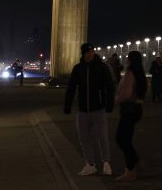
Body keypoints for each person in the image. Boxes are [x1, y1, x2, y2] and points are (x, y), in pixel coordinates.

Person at [63, 43, 116, 176]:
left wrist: (110, 104)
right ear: (83, 53)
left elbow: (110, 87)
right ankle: (90, 164)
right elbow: (71, 87)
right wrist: (67, 105)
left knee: (102, 137)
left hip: (98, 109)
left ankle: (106, 163)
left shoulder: (102, 68)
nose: (90, 54)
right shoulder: (78, 68)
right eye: (87, 52)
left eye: (92, 51)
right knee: (84, 138)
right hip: (82, 110)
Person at [114, 50, 147, 181]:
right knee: (125, 139)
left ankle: (131, 170)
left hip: (128, 110)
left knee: (121, 139)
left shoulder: (130, 73)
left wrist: (116, 99)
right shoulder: (140, 73)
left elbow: (126, 94)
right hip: (137, 109)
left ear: (130, 60)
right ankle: (134, 163)